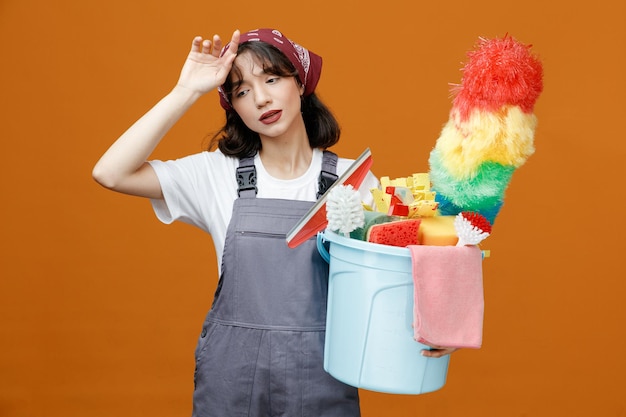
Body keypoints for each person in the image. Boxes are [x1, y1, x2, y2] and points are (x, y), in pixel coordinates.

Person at [93, 27, 456, 417]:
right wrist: (187, 90)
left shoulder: (352, 181)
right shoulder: (217, 175)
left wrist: (437, 321)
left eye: (271, 78)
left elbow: (387, 277)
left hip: (322, 380)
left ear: (300, 83)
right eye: (242, 91)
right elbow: (111, 173)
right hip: (231, 382)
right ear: (233, 106)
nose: (261, 97)